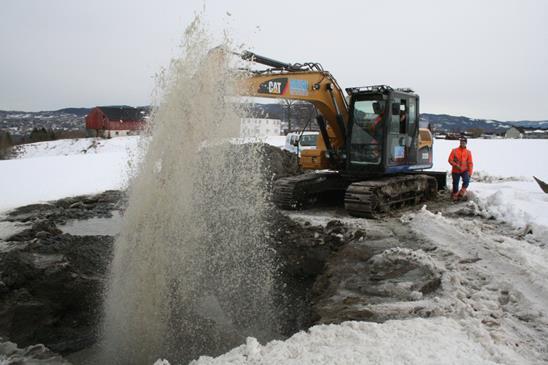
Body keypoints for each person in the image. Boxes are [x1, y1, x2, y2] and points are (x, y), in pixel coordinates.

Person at [448, 136, 474, 201]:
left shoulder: (468, 152)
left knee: (466, 181)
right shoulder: (454, 151)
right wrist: (455, 165)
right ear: (460, 143)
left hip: (464, 170)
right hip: (456, 170)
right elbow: (450, 160)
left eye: (464, 142)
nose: (462, 143)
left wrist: (470, 172)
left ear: (466, 143)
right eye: (461, 142)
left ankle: (461, 193)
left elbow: (470, 163)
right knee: (455, 184)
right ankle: (455, 196)